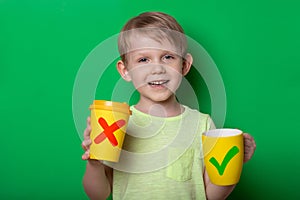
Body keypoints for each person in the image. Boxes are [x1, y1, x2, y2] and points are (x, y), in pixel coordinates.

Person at [81, 12, 256, 200]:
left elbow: (213, 196)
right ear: (125, 70)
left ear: (184, 65)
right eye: (143, 60)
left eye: (167, 57)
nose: (157, 68)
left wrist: (232, 164)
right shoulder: (118, 124)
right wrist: (95, 163)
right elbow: (97, 195)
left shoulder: (202, 124)